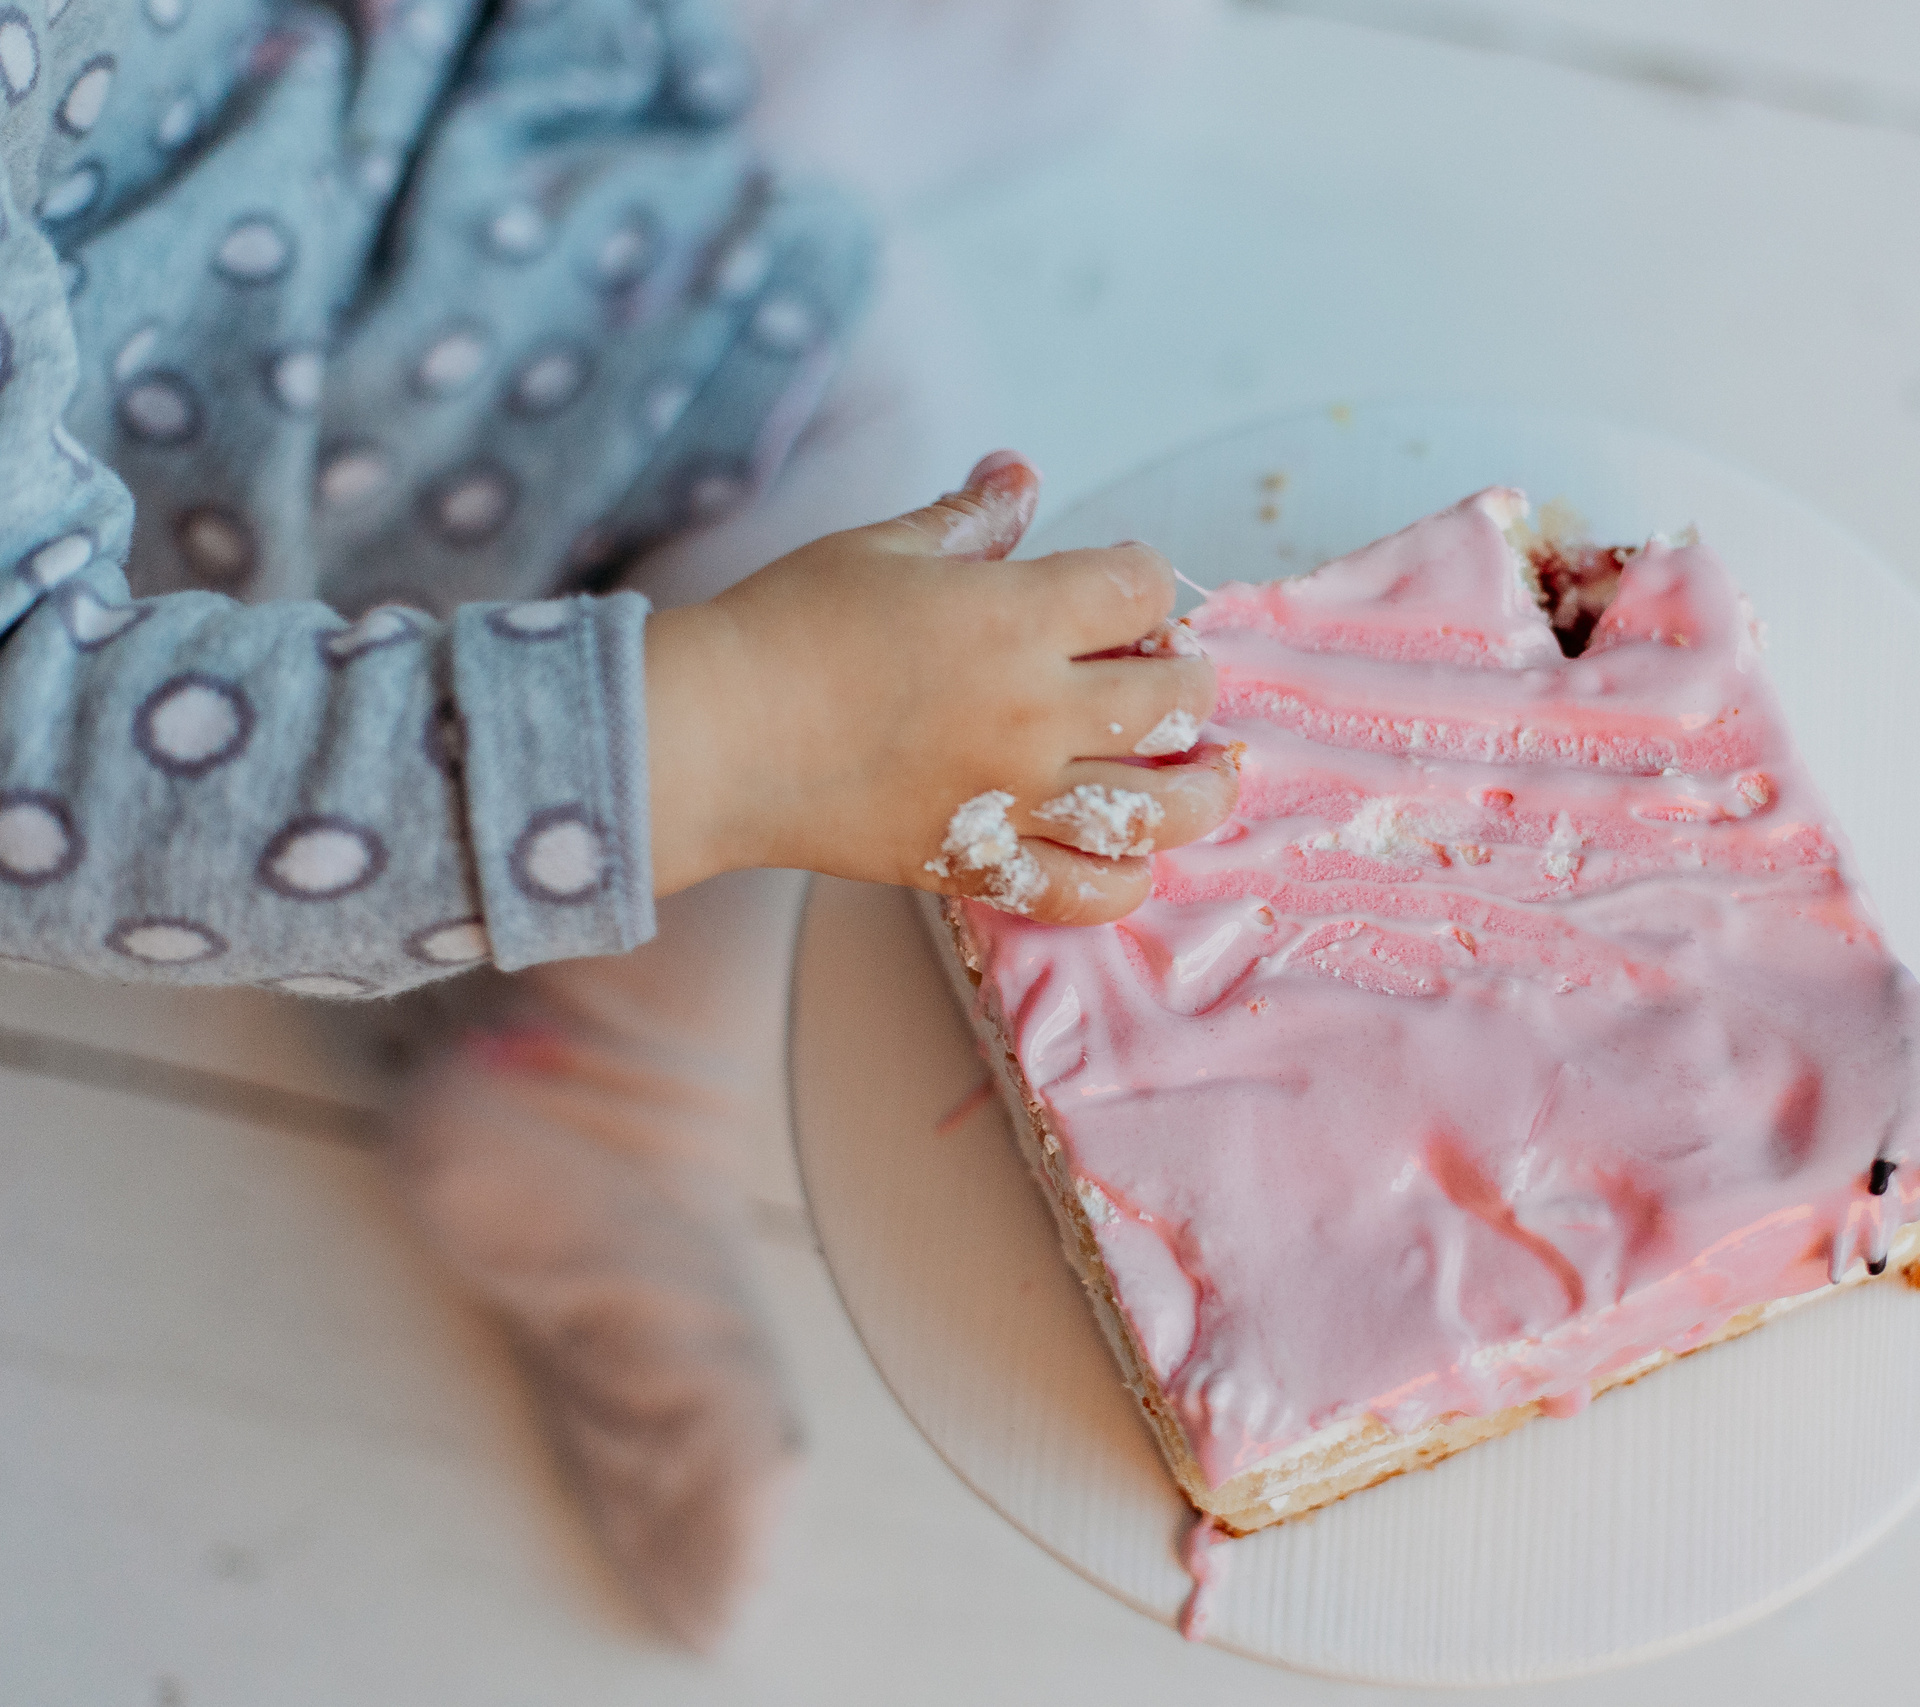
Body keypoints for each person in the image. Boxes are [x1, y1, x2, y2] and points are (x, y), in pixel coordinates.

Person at [0, 0, 1224, 1648]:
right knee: (854, 370)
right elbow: (42, 752)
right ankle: (607, 1084)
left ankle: (703, 93)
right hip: (246, 379)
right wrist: (733, 735)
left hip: (328, 71)